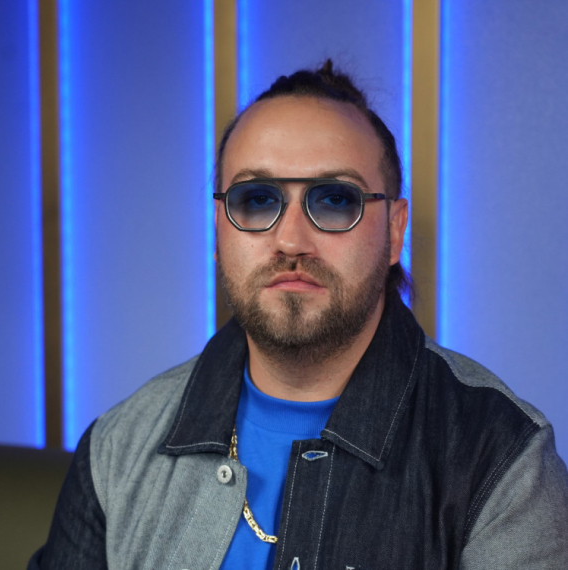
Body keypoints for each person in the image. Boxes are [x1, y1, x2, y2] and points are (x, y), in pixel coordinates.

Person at [30, 61, 568, 570]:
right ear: (219, 229)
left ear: (394, 230)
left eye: (334, 200)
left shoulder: (500, 456)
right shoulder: (118, 445)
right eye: (257, 200)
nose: (290, 239)